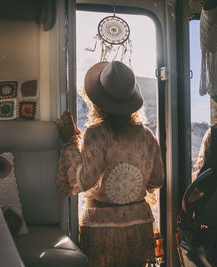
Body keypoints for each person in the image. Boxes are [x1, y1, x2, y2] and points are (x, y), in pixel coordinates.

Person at [55, 61, 164, 267]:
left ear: (97, 102)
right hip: (139, 225)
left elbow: (82, 182)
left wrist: (71, 143)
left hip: (103, 229)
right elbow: (157, 180)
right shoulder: (147, 135)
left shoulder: (97, 134)